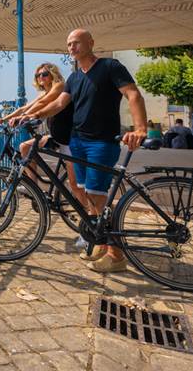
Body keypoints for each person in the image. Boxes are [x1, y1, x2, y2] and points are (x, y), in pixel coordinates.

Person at [24, 29, 147, 273]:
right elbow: (60, 103)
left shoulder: (110, 66)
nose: (72, 47)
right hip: (77, 141)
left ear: (91, 43)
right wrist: (35, 114)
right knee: (86, 195)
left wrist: (140, 128)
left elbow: (132, 94)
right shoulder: (74, 77)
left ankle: (117, 256)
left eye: (77, 42)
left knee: (97, 197)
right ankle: (100, 243)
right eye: (69, 44)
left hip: (101, 141)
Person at [0, 63, 77, 194]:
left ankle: (96, 209)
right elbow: (24, 108)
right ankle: (34, 189)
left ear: (52, 74)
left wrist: (24, 117)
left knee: (76, 183)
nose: (41, 77)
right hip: (55, 135)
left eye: (44, 74)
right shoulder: (43, 92)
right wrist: (4, 119)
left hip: (68, 137)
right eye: (38, 75)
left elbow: (43, 103)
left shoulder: (60, 86)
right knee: (24, 147)